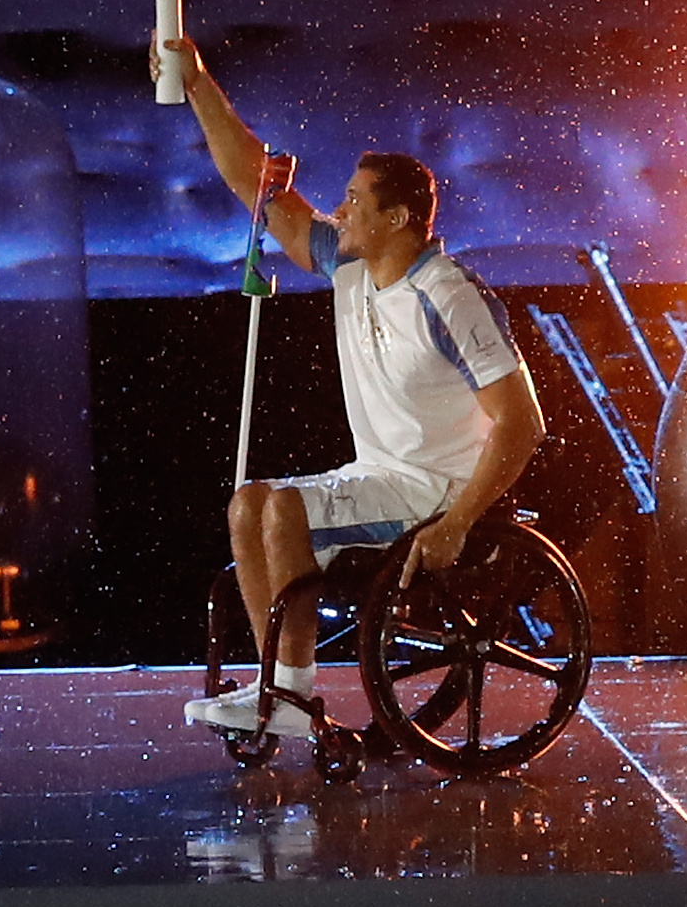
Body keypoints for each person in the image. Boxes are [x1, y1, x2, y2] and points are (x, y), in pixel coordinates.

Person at [151, 37, 547, 738]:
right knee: (248, 504)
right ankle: (278, 684)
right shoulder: (352, 265)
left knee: (283, 512)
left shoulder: (450, 297)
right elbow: (259, 190)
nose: (339, 208)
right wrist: (199, 84)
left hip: (440, 491)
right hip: (381, 476)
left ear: (396, 219)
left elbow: (521, 423)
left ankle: (291, 695)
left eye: (355, 200)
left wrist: (459, 522)